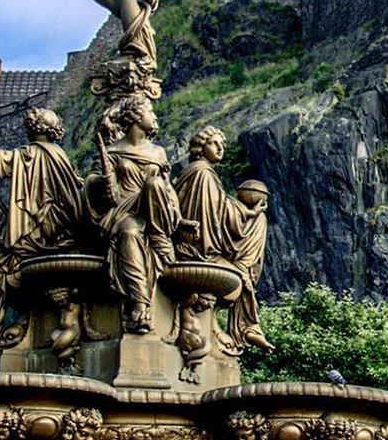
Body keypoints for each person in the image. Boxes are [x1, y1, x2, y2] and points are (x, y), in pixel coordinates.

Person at [0, 108, 83, 348]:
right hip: (43, 224)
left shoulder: (34, 153)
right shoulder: (58, 154)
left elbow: (4, 158)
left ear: (34, 129)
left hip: (38, 230)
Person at [86, 95, 182, 333]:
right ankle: (140, 303)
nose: (156, 117)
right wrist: (101, 181)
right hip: (123, 211)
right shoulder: (112, 151)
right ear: (136, 117)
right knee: (129, 232)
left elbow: (168, 189)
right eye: (151, 112)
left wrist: (180, 218)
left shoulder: (158, 152)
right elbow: (92, 185)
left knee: (154, 184)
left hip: (153, 211)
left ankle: (159, 237)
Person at [172, 127, 274, 352]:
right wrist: (249, 213)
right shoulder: (202, 174)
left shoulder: (201, 174)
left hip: (197, 246)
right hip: (198, 248)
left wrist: (250, 214)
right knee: (239, 275)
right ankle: (245, 328)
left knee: (258, 225)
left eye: (222, 145)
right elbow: (217, 211)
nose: (220, 148)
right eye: (214, 143)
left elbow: (221, 206)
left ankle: (244, 327)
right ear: (200, 148)